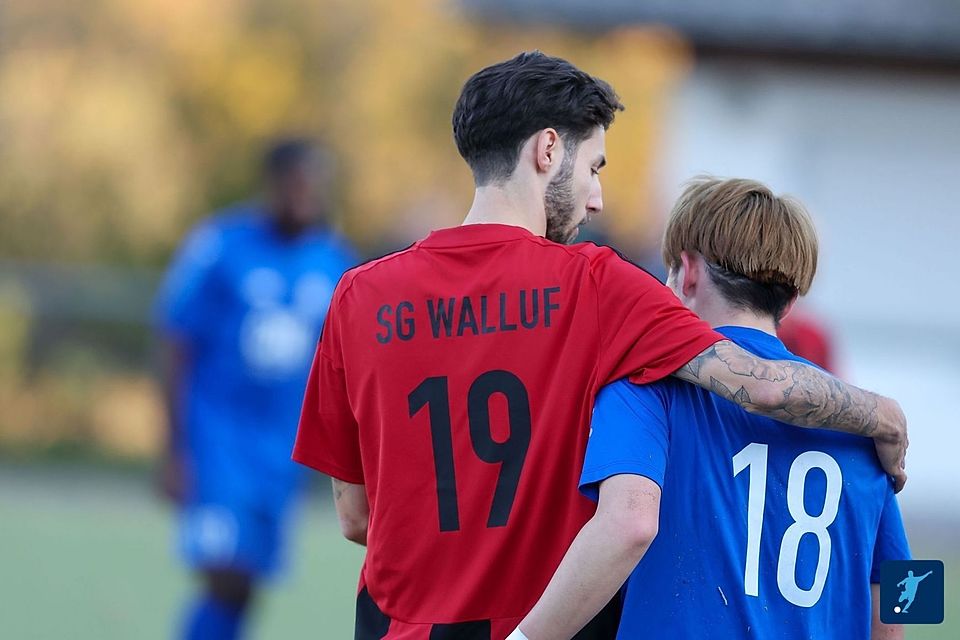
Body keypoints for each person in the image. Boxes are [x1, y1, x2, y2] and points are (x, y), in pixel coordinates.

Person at [292, 52, 907, 639]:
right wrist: (883, 415)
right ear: (548, 149)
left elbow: (356, 516)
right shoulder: (603, 297)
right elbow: (910, 580)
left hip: (405, 624)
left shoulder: (358, 294)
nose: (598, 198)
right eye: (595, 168)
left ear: (686, 271)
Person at [516, 178, 910, 640]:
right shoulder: (859, 421)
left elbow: (626, 525)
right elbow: (905, 590)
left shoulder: (645, 388)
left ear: (688, 273)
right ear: (791, 299)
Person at [154, 139, 357, 640]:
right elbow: (174, 343)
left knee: (246, 584)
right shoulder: (220, 245)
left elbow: (345, 364)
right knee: (224, 575)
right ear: (274, 184)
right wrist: (173, 447)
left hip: (281, 454)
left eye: (316, 185)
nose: (307, 195)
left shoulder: (333, 259)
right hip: (218, 442)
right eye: (298, 183)